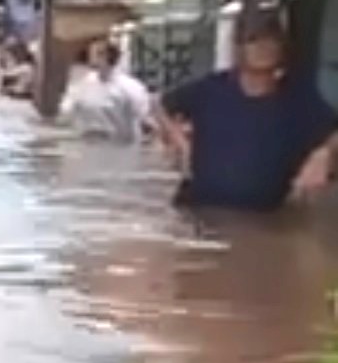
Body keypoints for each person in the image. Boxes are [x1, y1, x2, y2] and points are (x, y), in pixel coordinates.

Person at [156, 11, 338, 212]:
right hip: (199, 210)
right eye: (253, 41)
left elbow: (333, 130)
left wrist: (324, 154)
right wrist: (179, 142)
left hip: (265, 219)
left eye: (271, 40)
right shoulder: (210, 89)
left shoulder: (298, 100)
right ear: (238, 48)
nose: (263, 48)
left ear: (282, 47)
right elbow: (161, 104)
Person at [61, 39, 152, 143]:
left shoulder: (130, 87)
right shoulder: (81, 84)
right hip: (89, 144)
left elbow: (143, 117)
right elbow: (67, 110)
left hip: (121, 145)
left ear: (109, 57)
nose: (93, 58)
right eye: (92, 54)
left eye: (99, 54)